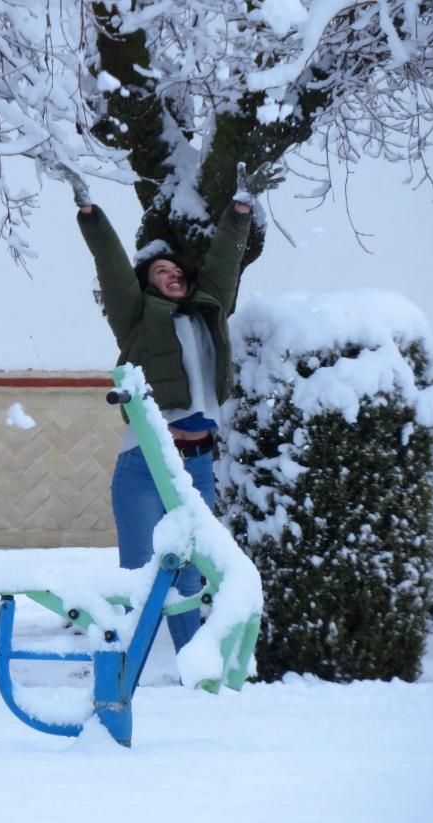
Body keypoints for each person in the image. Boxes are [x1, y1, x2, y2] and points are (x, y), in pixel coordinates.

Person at [65, 161, 280, 652]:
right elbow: (113, 267)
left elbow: (225, 261)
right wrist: (89, 213)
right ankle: (122, 660)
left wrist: (240, 209)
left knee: (188, 571)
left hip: (198, 465)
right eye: (161, 272)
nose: (173, 275)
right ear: (147, 285)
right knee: (140, 573)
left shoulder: (208, 310)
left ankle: (191, 666)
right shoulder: (137, 319)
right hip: (146, 463)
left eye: (177, 270)